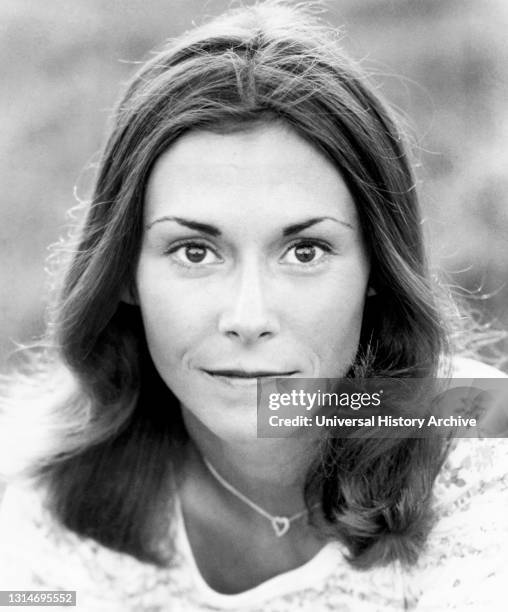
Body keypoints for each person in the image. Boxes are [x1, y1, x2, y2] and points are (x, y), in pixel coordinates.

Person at [0, 2, 507, 610]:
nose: (247, 317)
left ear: (377, 267)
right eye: (194, 252)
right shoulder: (34, 501)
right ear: (124, 270)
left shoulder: (481, 440)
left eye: (304, 251)